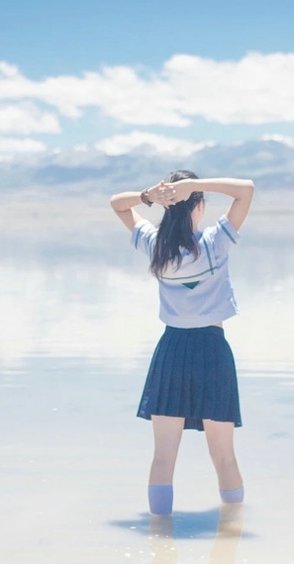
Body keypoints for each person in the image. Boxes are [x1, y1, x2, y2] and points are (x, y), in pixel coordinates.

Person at [110, 171, 255, 516]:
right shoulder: (215, 241)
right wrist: (194, 186)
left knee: (163, 456)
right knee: (224, 456)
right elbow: (246, 191)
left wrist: (148, 196)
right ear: (199, 206)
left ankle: (159, 537)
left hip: (172, 351)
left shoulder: (154, 244)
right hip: (212, 351)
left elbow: (117, 205)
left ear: (167, 208)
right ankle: (230, 534)